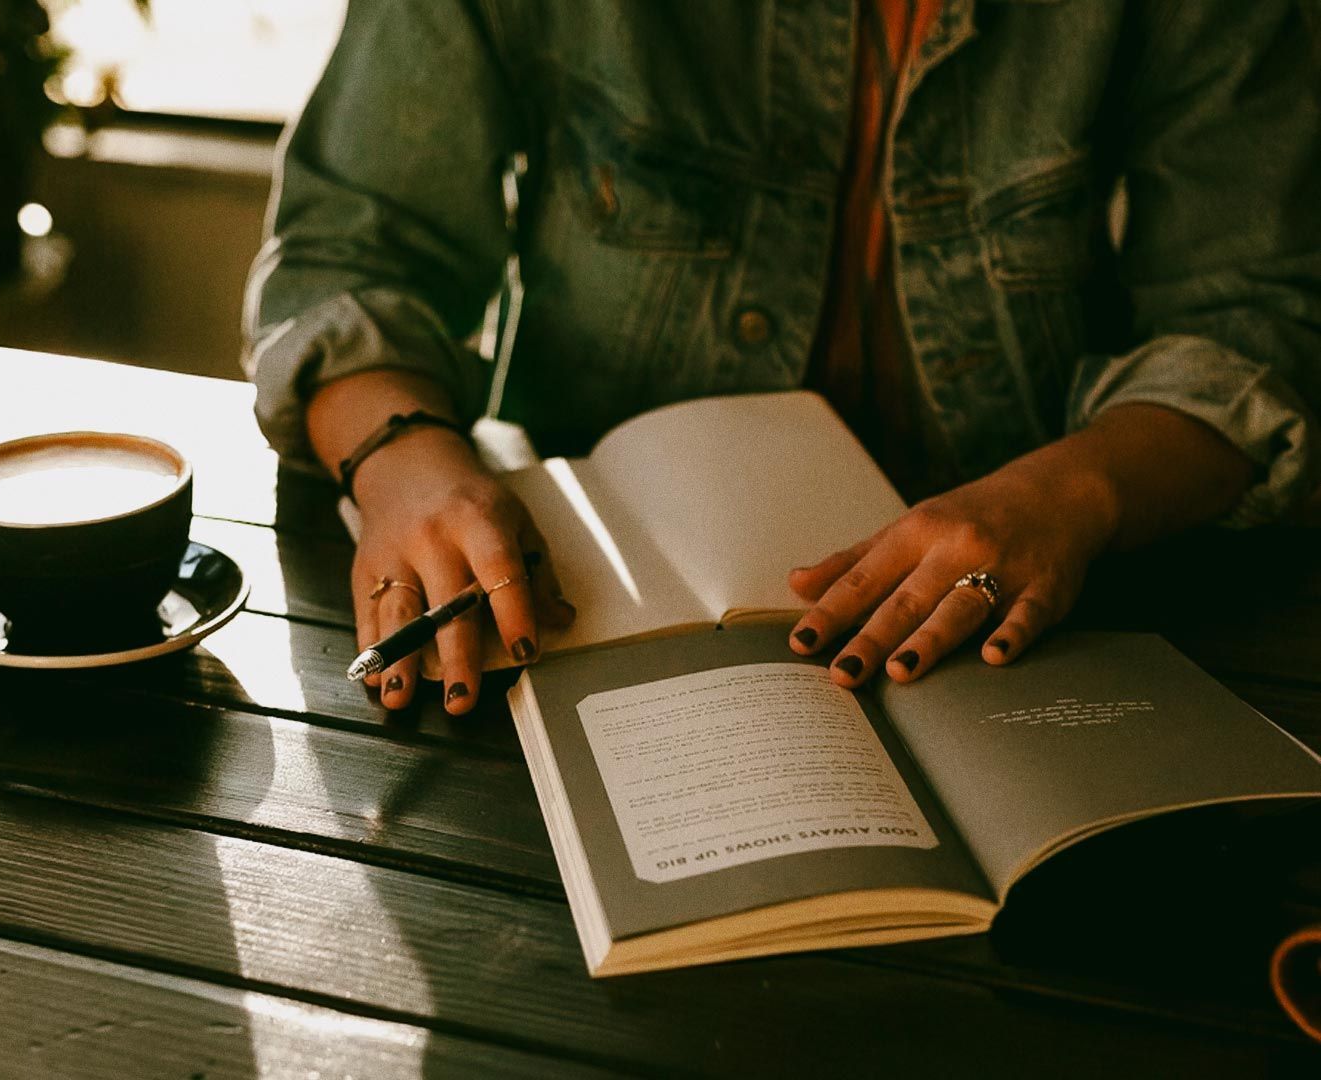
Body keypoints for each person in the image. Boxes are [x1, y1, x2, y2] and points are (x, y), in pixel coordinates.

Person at [244, 1, 1321, 715]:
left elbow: (1256, 315)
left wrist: (1069, 496)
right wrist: (401, 460)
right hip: (582, 611)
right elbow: (354, 244)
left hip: (1034, 625)